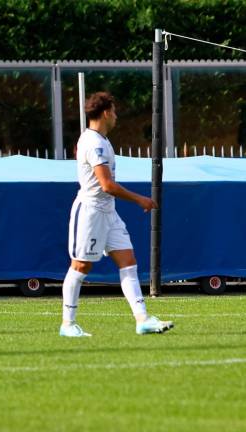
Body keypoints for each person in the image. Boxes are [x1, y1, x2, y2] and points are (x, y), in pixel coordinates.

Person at [60, 92, 174, 337]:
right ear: (105, 113)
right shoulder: (95, 142)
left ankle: (142, 319)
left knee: (128, 261)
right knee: (80, 266)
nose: (116, 116)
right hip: (90, 212)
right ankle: (67, 325)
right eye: (114, 111)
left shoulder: (100, 139)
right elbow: (107, 185)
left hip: (108, 212)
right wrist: (140, 199)